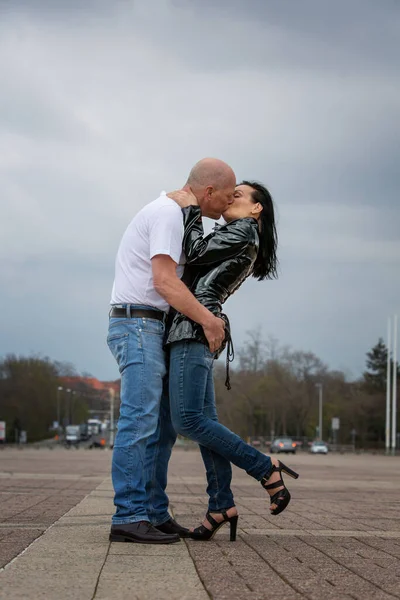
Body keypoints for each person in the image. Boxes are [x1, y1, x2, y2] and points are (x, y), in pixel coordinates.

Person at [107, 158, 236, 544]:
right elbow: (163, 282)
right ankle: (128, 516)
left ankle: (154, 513)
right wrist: (209, 321)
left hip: (153, 327)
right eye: (228, 198)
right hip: (138, 324)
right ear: (208, 191)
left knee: (162, 430)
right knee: (140, 420)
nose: (228, 207)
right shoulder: (167, 214)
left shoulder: (177, 215)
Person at [166, 181, 299, 541]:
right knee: (205, 421)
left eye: (238, 195)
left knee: (189, 420)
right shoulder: (239, 232)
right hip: (198, 327)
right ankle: (221, 505)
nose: (230, 197)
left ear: (257, 209)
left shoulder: (242, 231)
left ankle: (265, 468)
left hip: (193, 327)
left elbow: (193, 252)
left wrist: (190, 209)